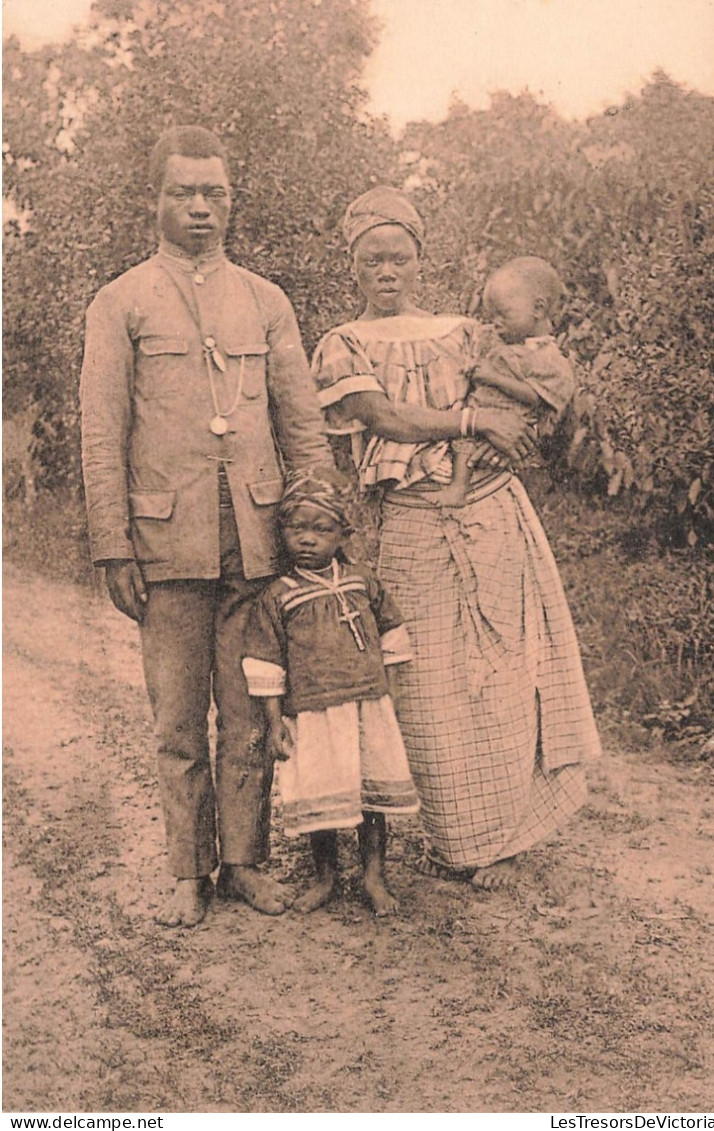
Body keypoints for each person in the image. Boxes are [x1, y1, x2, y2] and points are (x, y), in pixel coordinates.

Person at [311, 186, 602, 890]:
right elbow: (384, 416)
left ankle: (503, 834)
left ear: (420, 260)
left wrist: (508, 445)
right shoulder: (340, 345)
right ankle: (456, 836)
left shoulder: (465, 331)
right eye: (373, 258)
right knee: (429, 678)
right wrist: (472, 427)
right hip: (411, 519)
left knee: (502, 670)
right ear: (353, 267)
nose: (388, 271)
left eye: (400, 256)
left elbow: (525, 398)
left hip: (493, 513)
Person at [80, 126, 333, 927]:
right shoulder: (121, 301)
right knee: (179, 720)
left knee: (253, 712)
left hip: (258, 543)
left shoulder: (265, 300)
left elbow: (303, 424)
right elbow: (102, 431)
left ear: (232, 199)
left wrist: (319, 518)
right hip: (165, 544)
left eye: (214, 193)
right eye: (183, 192)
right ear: (153, 199)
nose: (200, 208)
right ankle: (188, 872)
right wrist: (113, 543)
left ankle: (247, 862)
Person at [241, 470, 419, 916]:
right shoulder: (279, 596)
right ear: (281, 531)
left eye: (321, 529)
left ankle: (373, 877)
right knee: (325, 796)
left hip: (367, 707)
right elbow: (265, 664)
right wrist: (274, 721)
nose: (308, 539)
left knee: (370, 796)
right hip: (314, 715)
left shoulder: (362, 581)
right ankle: (325, 877)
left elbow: (393, 634)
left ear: (343, 533)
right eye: (297, 527)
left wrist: (390, 697)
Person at [436, 256, 574, 508]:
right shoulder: (499, 339)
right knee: (464, 444)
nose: (496, 323)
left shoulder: (549, 359)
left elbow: (537, 396)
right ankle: (461, 488)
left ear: (538, 309)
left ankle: (460, 490)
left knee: (480, 455)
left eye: (504, 314)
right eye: (492, 315)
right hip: (482, 414)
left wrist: (493, 378)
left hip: (513, 420)